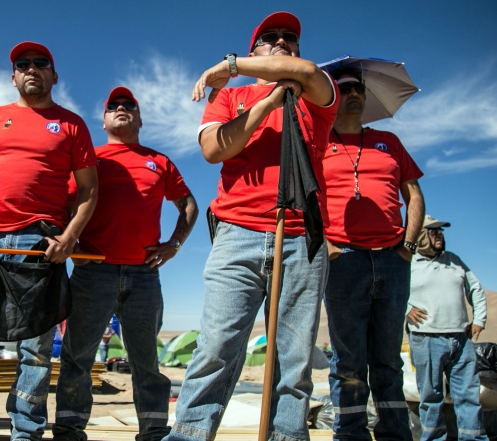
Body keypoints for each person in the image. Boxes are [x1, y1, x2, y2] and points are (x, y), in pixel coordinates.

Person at [166, 11, 338, 441]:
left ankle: (285, 436)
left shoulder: (318, 96)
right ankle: (188, 435)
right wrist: (265, 103)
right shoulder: (229, 99)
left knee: (294, 360)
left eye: (290, 38)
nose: (282, 42)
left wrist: (229, 64)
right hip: (236, 234)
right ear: (256, 46)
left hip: (300, 236)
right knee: (216, 347)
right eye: (270, 37)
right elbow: (214, 148)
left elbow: (305, 71)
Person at [0, 41, 98, 441]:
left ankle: (26, 432)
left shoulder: (71, 124)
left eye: (41, 63)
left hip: (41, 245)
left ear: (54, 75)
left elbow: (88, 190)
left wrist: (69, 237)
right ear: (13, 76)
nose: (31, 68)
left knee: (35, 350)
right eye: (23, 64)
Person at [54, 86, 198, 441]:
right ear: (103, 121)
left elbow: (189, 205)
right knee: (78, 358)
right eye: (113, 106)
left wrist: (174, 245)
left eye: (129, 105)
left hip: (144, 275)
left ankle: (153, 433)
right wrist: (65, 240)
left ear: (140, 118)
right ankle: (69, 432)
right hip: (92, 272)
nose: (121, 109)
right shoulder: (90, 161)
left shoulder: (160, 161)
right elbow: (63, 207)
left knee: (147, 362)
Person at [321, 69, 424, 441]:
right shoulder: (318, 143)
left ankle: (396, 434)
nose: (353, 94)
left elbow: (413, 195)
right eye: (344, 88)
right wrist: (326, 245)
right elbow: (305, 198)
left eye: (358, 89)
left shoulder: (389, 142)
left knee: (388, 359)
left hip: (392, 261)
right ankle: (349, 434)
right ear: (332, 96)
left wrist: (408, 247)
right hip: (343, 260)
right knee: (348, 359)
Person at [407, 215, 487, 441]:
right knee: (431, 398)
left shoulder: (455, 260)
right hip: (425, 339)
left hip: (460, 340)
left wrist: (479, 319)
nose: (439, 235)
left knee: (469, 396)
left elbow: (476, 289)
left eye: (440, 231)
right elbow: (392, 291)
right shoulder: (408, 262)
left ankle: (474, 438)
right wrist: (406, 309)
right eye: (433, 232)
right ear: (421, 234)